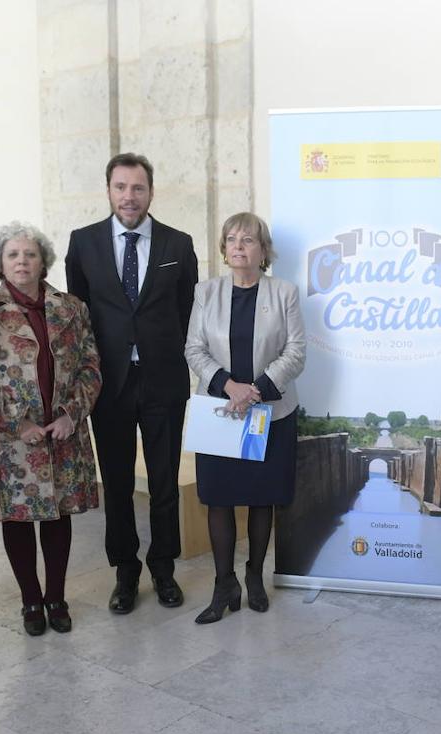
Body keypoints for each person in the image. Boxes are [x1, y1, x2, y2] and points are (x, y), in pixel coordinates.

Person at [66, 152, 199, 614]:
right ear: (108, 191)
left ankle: (164, 570)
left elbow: (187, 315)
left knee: (164, 482)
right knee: (118, 483)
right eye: (121, 187)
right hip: (110, 384)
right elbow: (78, 320)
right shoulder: (83, 244)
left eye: (137, 188)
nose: (129, 196)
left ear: (150, 192)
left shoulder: (178, 245)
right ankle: (125, 574)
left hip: (163, 381)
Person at [0, 222, 102, 635]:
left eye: (30, 254)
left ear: (44, 262)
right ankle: (29, 601)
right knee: (18, 518)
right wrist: (15, 423)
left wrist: (71, 415)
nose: (22, 261)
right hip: (10, 440)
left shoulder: (71, 308)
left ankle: (56, 597)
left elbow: (91, 366)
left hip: (62, 433)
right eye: (12, 255)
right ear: (0, 264)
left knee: (58, 517)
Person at [183, 212, 305, 624]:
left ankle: (254, 576)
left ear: (263, 250)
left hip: (269, 412)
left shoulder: (284, 293)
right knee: (218, 498)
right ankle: (224, 583)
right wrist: (229, 386)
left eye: (248, 240)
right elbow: (194, 349)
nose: (239, 246)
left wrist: (256, 390)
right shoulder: (206, 292)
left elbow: (296, 352)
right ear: (223, 248)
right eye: (231, 239)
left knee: (260, 497)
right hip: (220, 411)